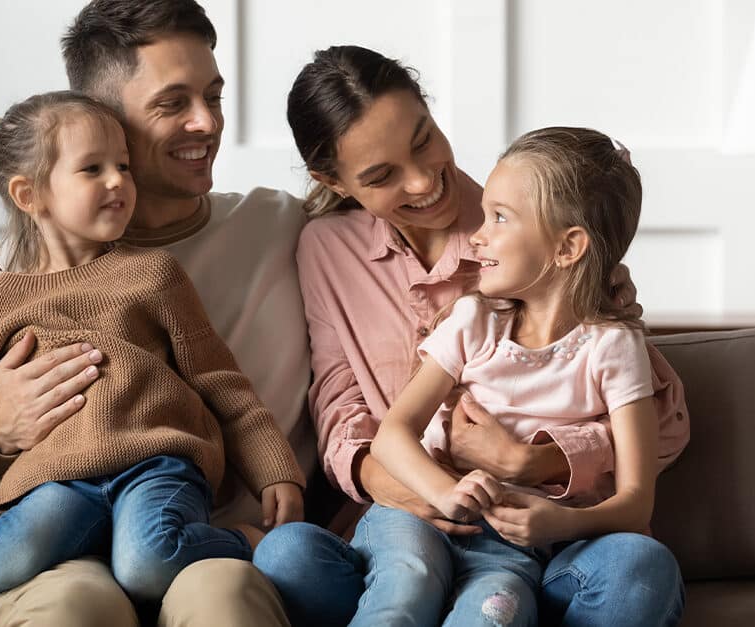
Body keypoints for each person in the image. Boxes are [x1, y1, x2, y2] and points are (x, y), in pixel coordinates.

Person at [253, 46, 689, 627]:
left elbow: (666, 427)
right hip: (410, 525)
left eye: (423, 140)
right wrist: (402, 484)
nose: (422, 181)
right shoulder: (329, 251)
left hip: (540, 532)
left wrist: (536, 463)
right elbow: (342, 404)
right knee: (286, 555)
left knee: (637, 568)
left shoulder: (534, 230)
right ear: (332, 180)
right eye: (381, 176)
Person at [0, 2, 316, 625]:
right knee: (71, 606)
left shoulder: (280, 225)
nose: (207, 122)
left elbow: (427, 209)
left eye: (214, 94)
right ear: (104, 117)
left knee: (221, 602)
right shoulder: (10, 275)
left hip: (212, 546)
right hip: (62, 547)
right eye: (173, 103)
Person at [358, 126, 666, 626]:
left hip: (515, 556)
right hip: (428, 521)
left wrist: (562, 522)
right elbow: (391, 435)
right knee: (404, 589)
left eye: (500, 217)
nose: (478, 235)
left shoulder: (614, 347)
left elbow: (636, 503)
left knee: (498, 607)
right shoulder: (473, 321)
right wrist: (444, 493)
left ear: (568, 248)